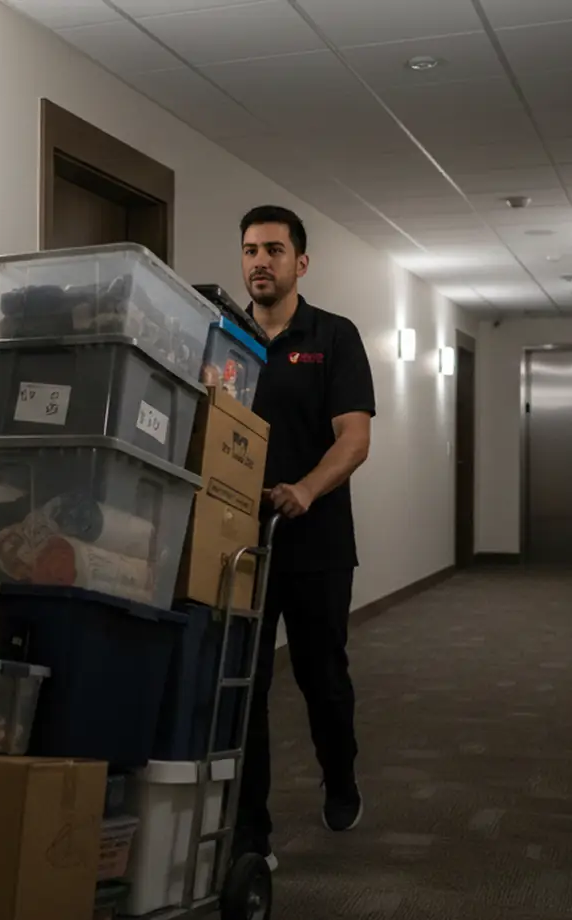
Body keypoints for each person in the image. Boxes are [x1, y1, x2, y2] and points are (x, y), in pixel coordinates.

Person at [234, 205, 375, 868]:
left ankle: (341, 778)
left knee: (322, 678)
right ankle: (251, 829)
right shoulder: (223, 336)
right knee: (244, 684)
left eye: (274, 249)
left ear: (301, 263)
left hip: (316, 543)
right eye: (250, 250)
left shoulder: (333, 337)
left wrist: (305, 491)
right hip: (237, 544)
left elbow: (354, 438)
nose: (260, 261)